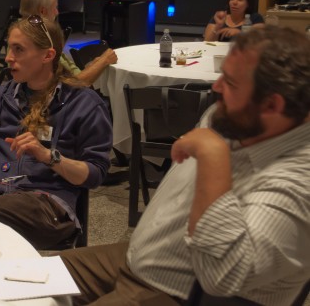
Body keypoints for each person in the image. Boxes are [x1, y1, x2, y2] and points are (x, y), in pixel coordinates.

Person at [60, 26, 310, 305]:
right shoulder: (235, 114)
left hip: (176, 289)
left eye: (230, 82)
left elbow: (222, 276)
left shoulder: (299, 181)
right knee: (11, 281)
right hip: (140, 256)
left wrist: (214, 156)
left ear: (272, 106)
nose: (216, 88)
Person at [0, 15, 112, 249]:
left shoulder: (83, 104)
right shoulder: (4, 97)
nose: (8, 58)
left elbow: (95, 174)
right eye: (9, 48)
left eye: (18, 50)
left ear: (47, 56)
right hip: (0, 201)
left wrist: (48, 156)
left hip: (49, 208)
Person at [20, 0, 118, 85]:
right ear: (42, 11)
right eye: (55, 8)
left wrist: (97, 63)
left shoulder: (22, 33)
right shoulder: (41, 41)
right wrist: (105, 60)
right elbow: (75, 84)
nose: (57, 12)